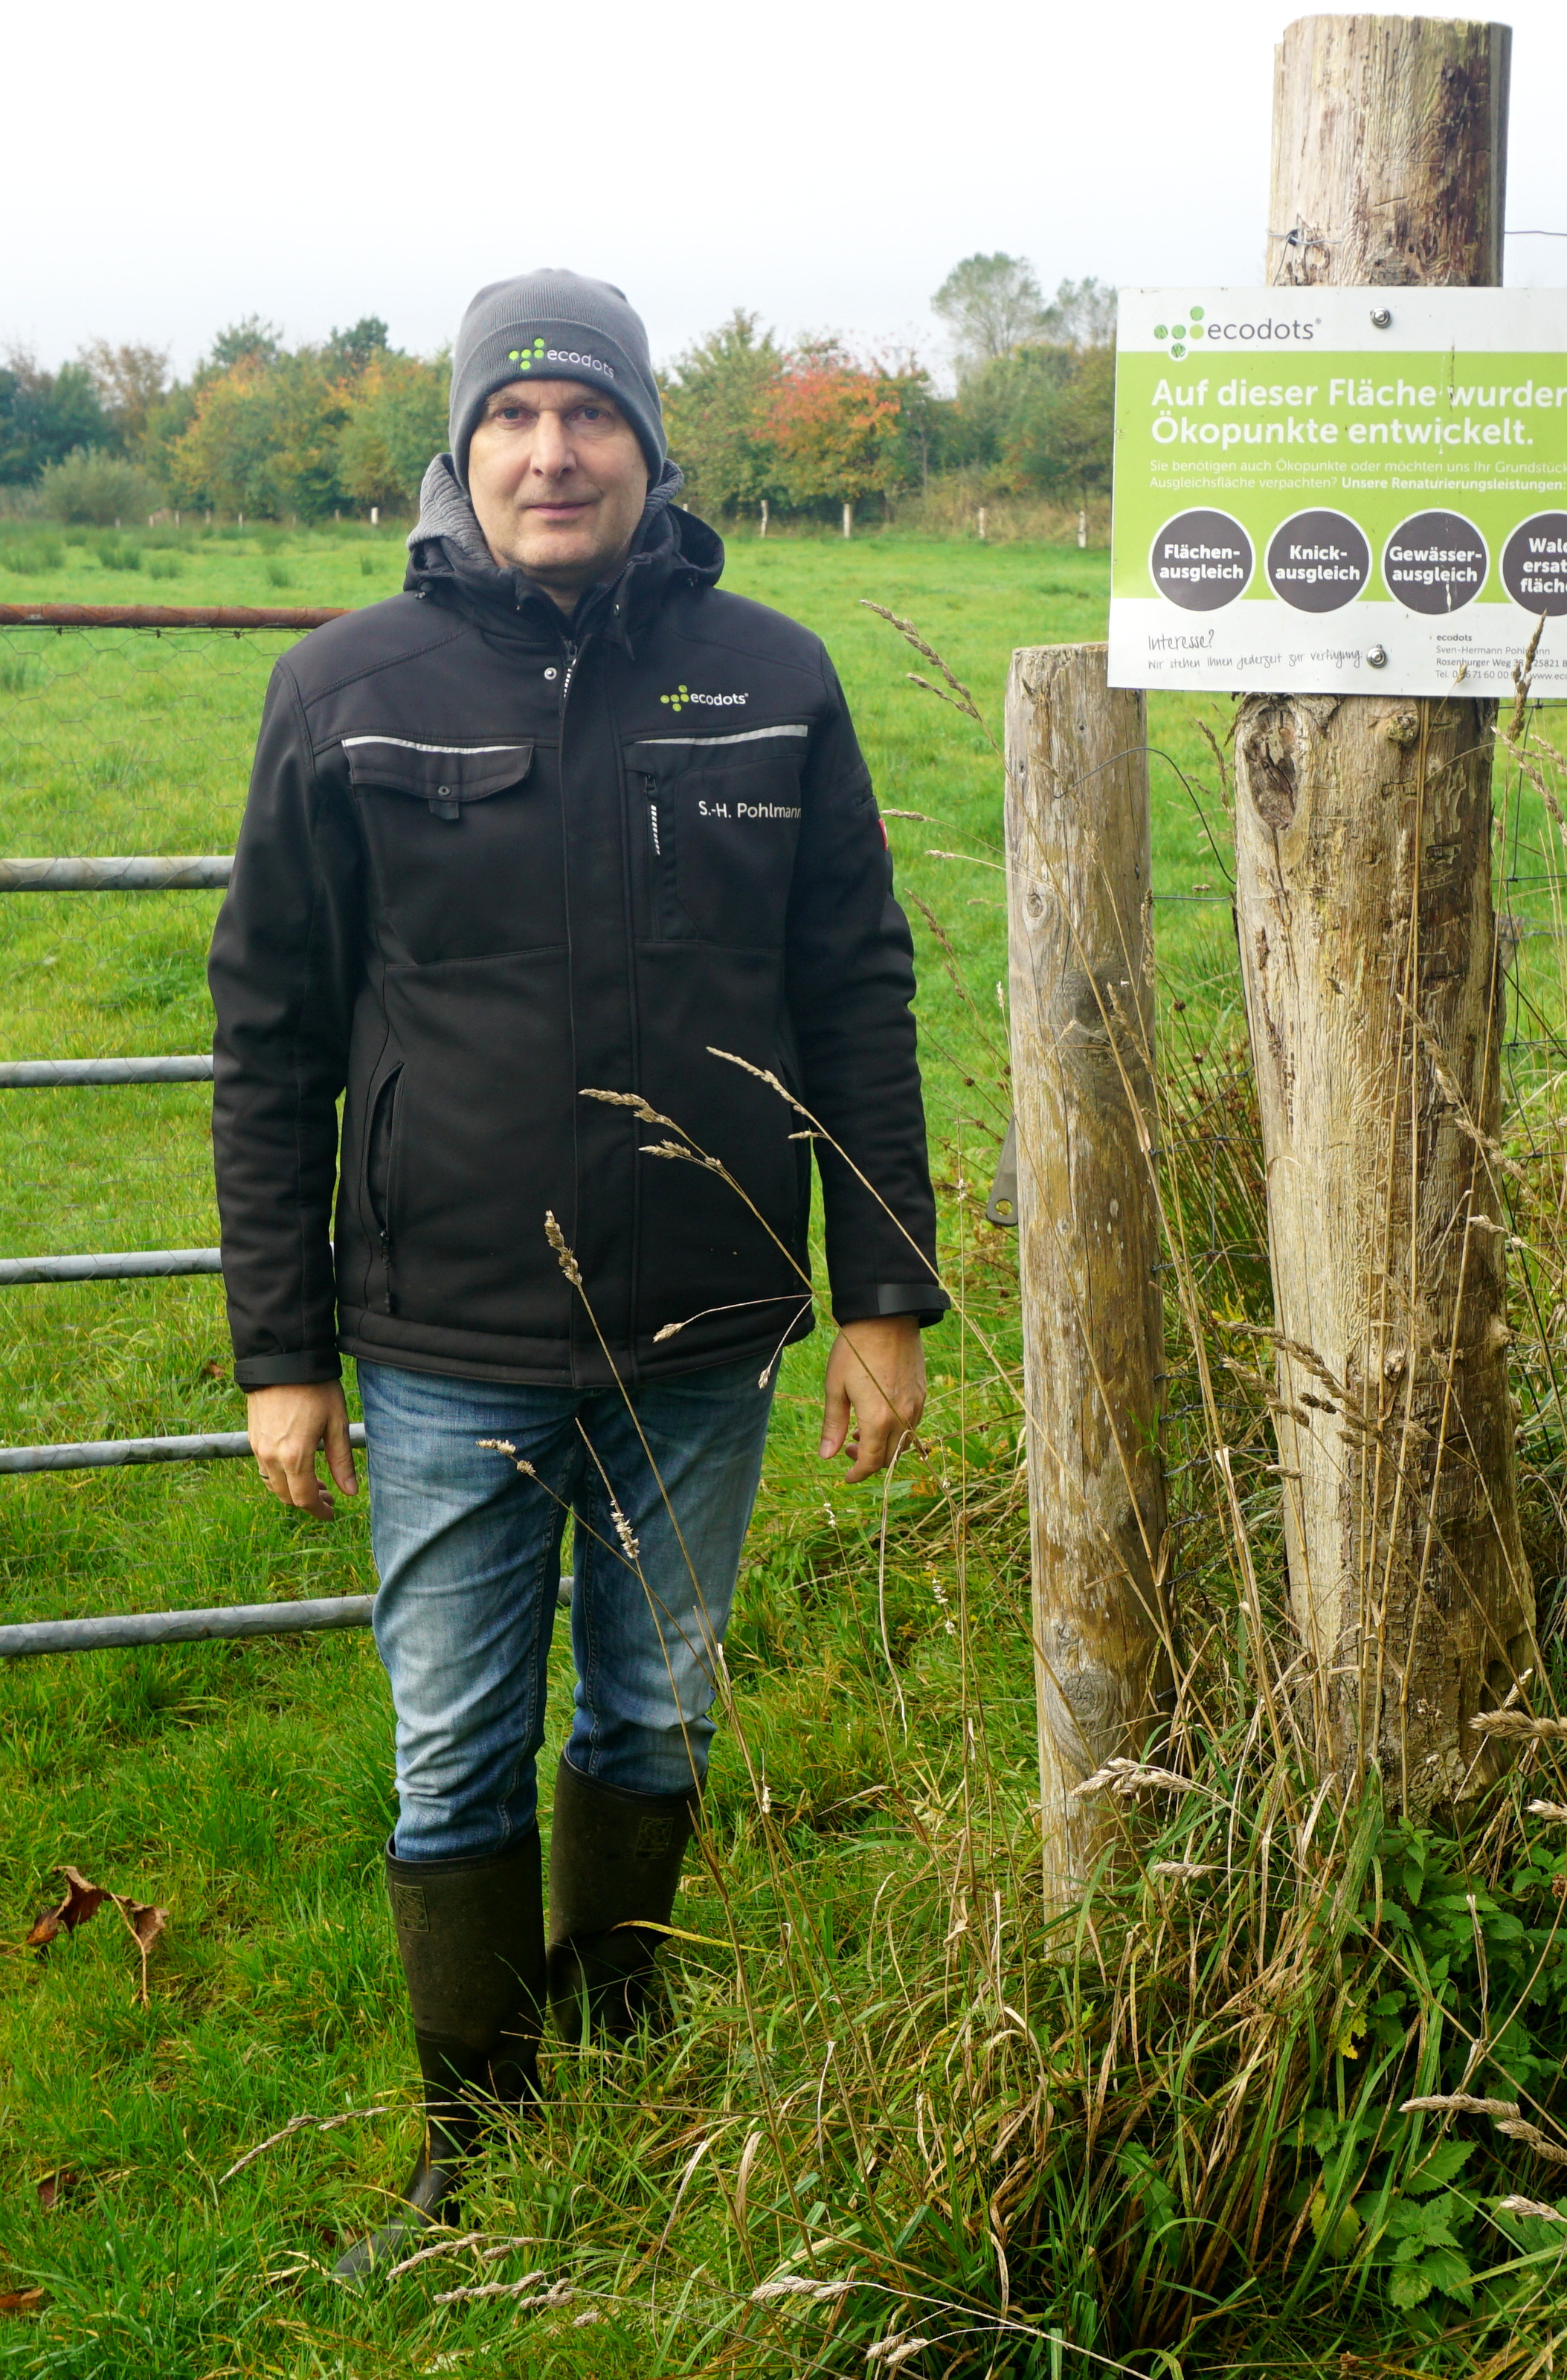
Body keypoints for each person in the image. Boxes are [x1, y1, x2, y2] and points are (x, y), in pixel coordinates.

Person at [202, 268, 944, 2273]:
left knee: (654, 1708)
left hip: (703, 1322)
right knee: (455, 1737)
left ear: (648, 446)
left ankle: (616, 2075)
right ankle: (473, 2141)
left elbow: (854, 988)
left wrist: (881, 1293)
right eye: (513, 419)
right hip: (445, 1333)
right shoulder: (346, 689)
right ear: (460, 453)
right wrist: (284, 1350)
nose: (552, 453)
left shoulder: (773, 677)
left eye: (589, 414)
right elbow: (270, 1033)